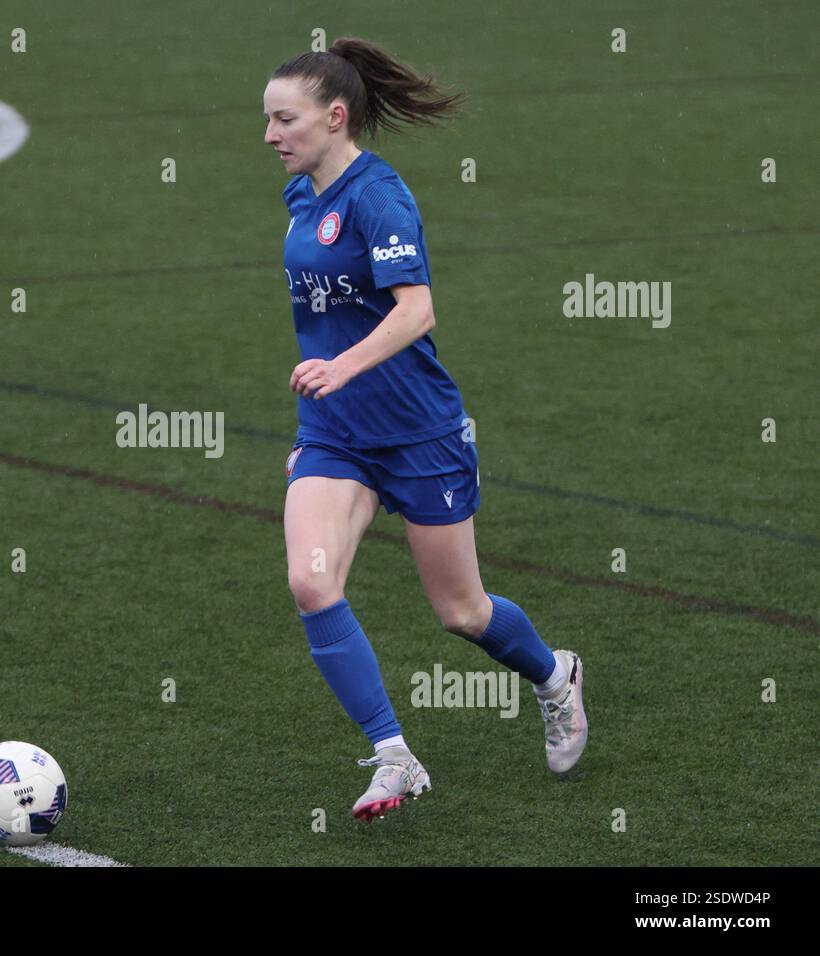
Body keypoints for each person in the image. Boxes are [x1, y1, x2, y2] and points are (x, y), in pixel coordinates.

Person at [264, 37, 587, 821]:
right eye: (268, 120)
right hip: (336, 434)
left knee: (462, 613)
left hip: (417, 431)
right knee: (311, 581)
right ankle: (394, 758)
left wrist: (343, 367)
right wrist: (323, 407)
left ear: (335, 117)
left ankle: (554, 676)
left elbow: (418, 310)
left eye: (285, 120)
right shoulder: (302, 196)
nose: (270, 136)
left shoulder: (380, 198)